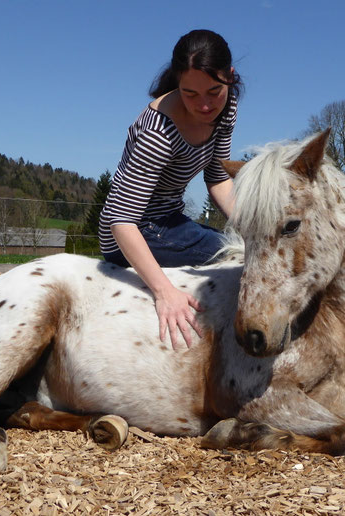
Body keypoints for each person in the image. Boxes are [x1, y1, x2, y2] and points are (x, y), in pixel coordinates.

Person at [98, 29, 242, 351]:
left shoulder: (228, 105)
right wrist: (165, 292)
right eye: (190, 94)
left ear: (229, 78)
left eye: (214, 91)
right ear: (177, 82)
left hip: (171, 221)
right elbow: (121, 220)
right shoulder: (157, 133)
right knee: (236, 261)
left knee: (247, 247)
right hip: (132, 231)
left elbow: (218, 178)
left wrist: (252, 228)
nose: (204, 105)